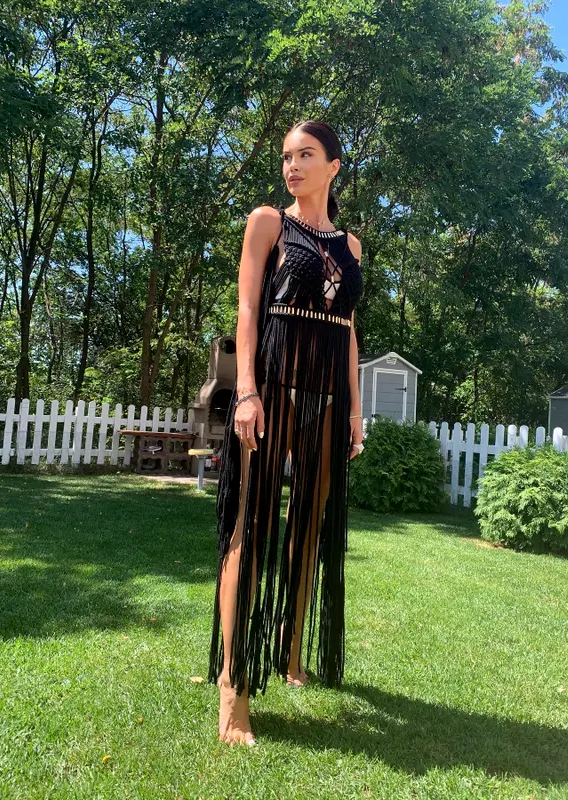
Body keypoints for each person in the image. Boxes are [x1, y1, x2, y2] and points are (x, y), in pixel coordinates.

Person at [207, 120, 366, 746]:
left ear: (333, 166)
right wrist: (245, 391)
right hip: (271, 392)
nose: (292, 166)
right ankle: (233, 686)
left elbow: (347, 331)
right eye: (286, 157)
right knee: (249, 529)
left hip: (327, 402)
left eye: (306, 155)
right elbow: (247, 309)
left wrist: (354, 410)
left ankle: (289, 646)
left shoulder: (351, 246)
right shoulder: (268, 222)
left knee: (307, 531)